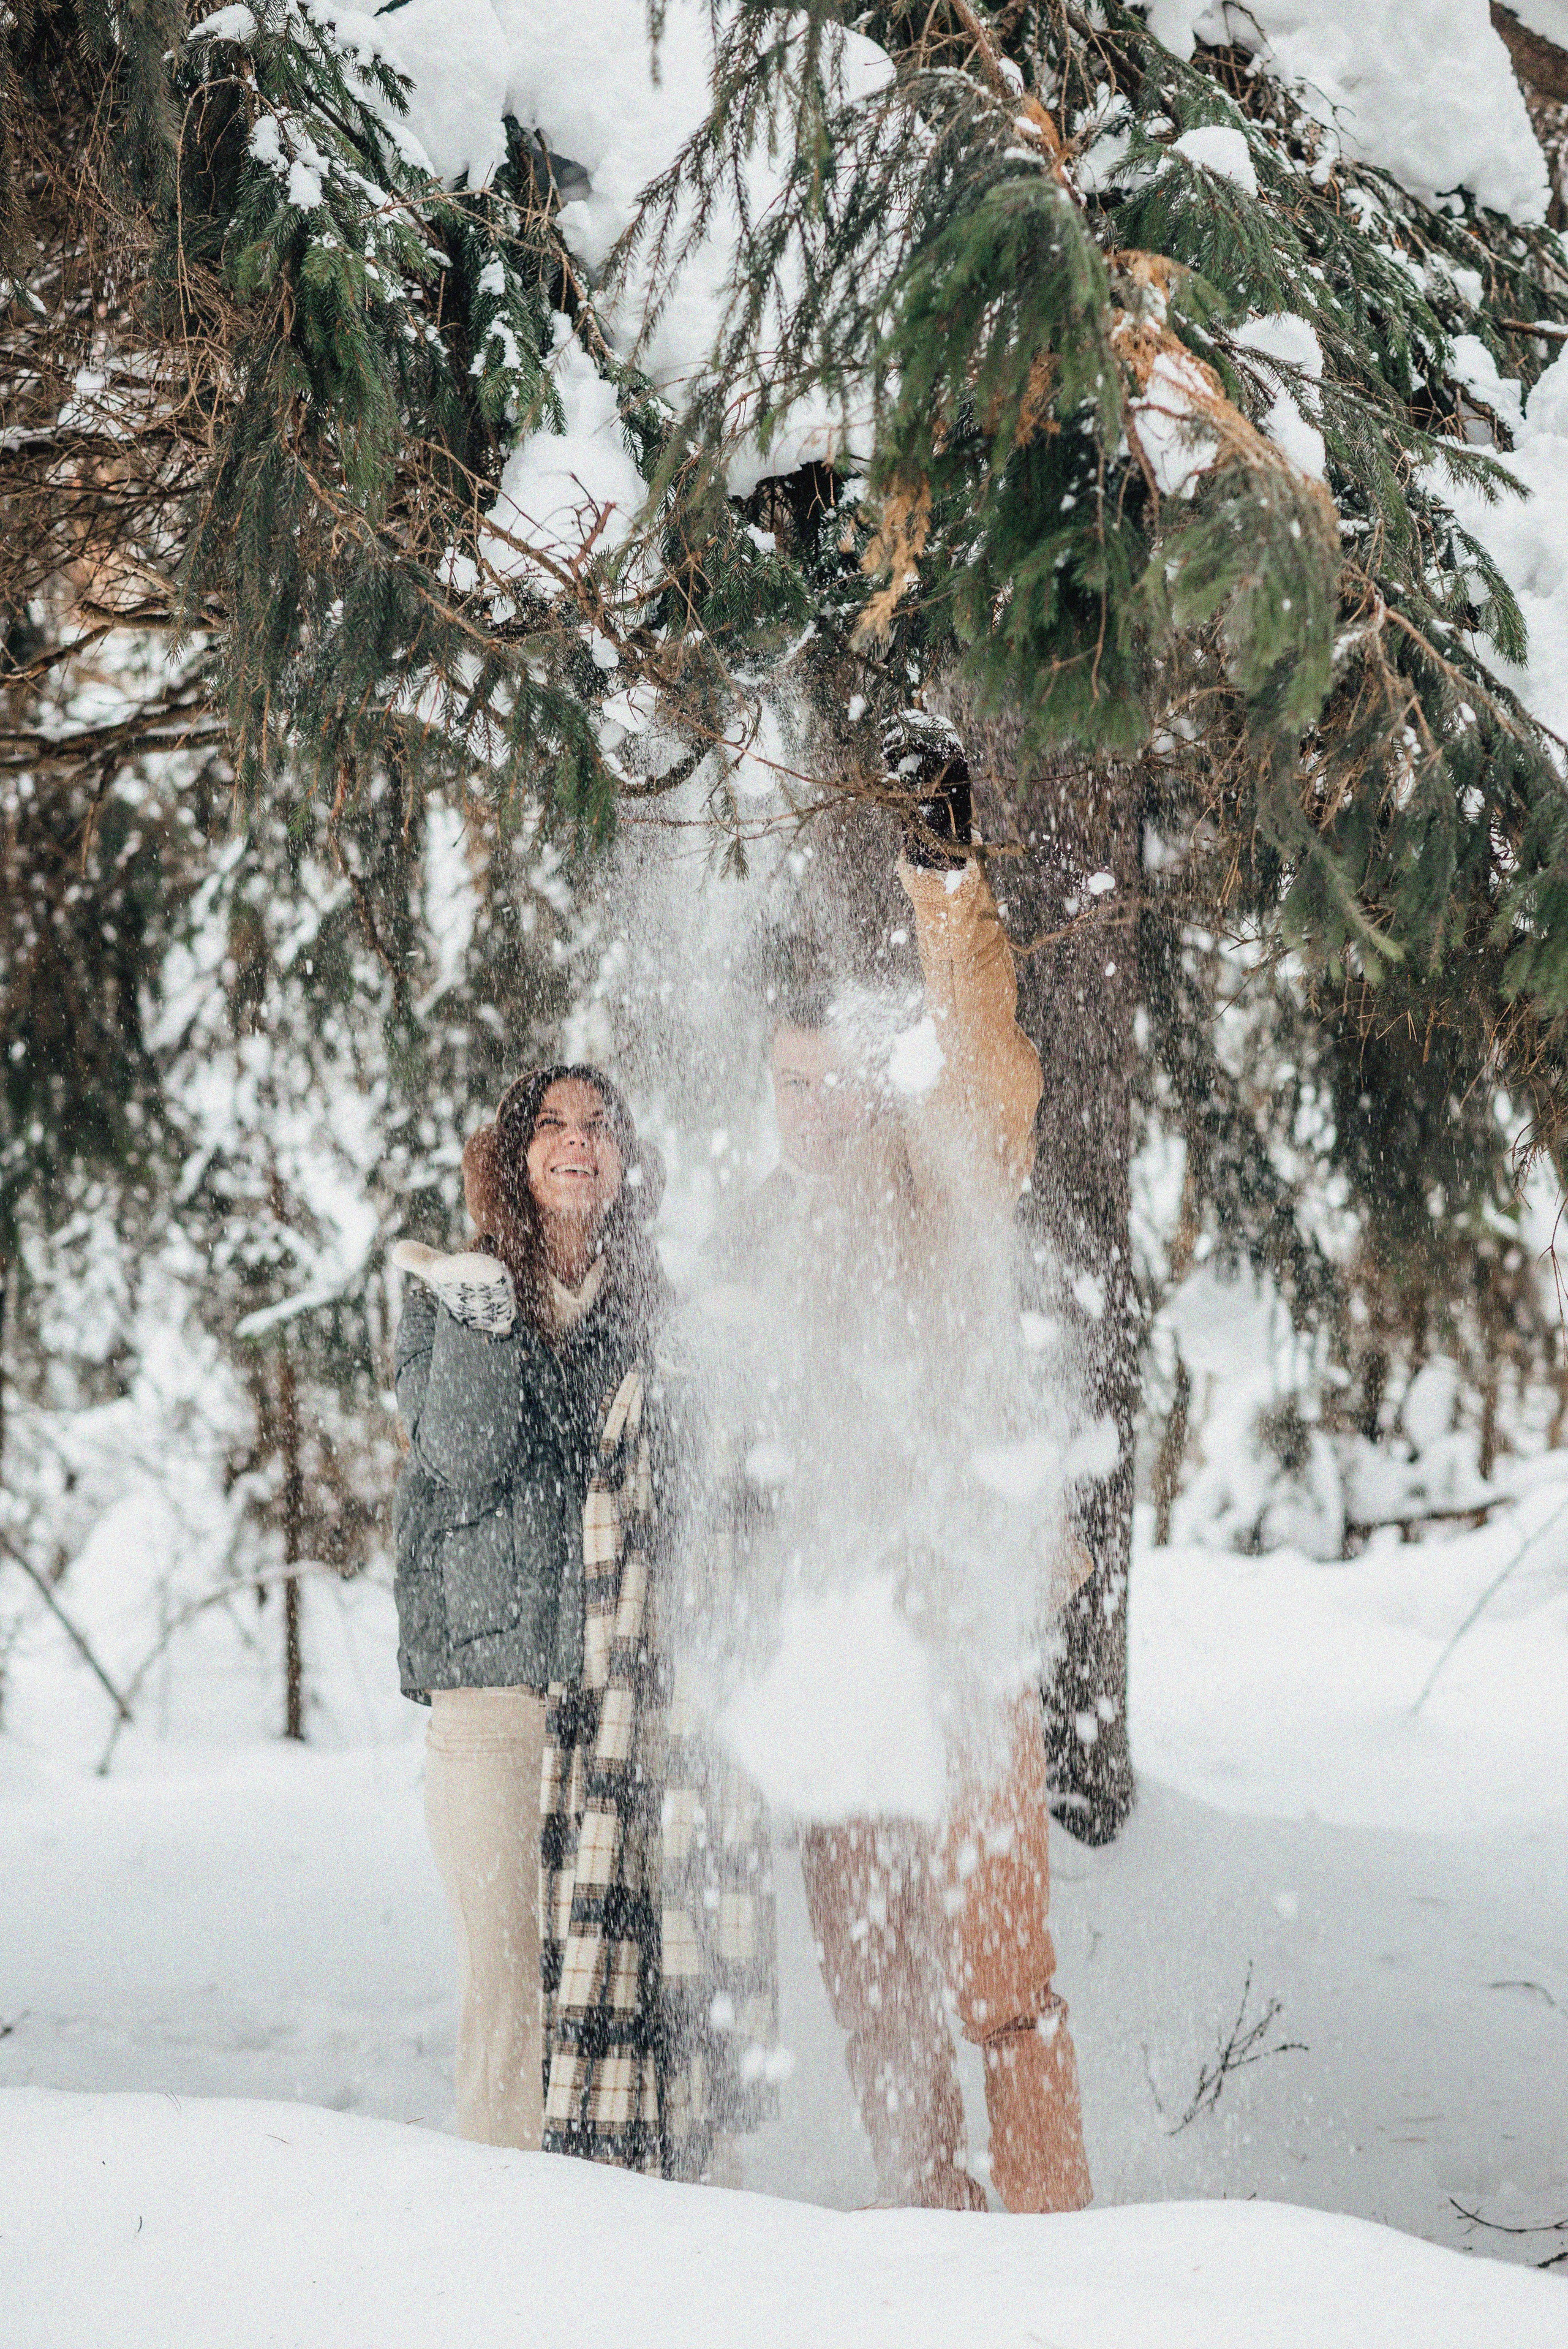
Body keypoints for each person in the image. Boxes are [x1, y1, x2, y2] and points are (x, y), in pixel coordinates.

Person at [722, 712, 1094, 2214]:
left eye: (832, 1086)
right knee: (871, 1987)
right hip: (833, 1637)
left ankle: (1058, 2267)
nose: (813, 1114)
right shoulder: (752, 1229)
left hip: (962, 1620)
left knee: (997, 1976)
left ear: (871, 1087)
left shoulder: (933, 1174)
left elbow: (992, 1080)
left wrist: (942, 876)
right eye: (788, 1088)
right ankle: (933, 2248)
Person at [390, 1065, 774, 2174]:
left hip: (620, 1710)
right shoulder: (451, 1301)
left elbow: (718, 1492)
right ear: (515, 1159)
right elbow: (464, 1454)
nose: (577, 1141)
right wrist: (478, 1305)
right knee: (513, 1997)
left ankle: (653, 2252)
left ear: (625, 1164)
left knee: (634, 1998)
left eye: (599, 1126)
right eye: (550, 1125)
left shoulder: (658, 1316)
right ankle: (509, 2270)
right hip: (499, 1701)